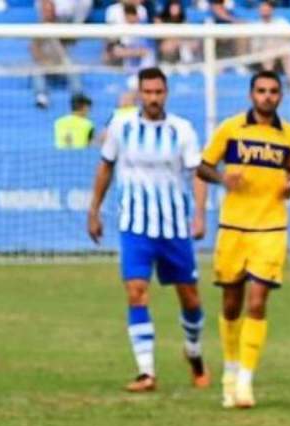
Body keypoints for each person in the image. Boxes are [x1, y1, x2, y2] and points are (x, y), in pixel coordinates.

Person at [85, 67, 208, 394]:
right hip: (135, 227)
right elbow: (105, 167)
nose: (153, 98)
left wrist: (199, 214)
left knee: (190, 297)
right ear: (140, 94)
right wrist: (94, 210)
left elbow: (197, 173)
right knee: (136, 291)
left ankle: (194, 352)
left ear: (166, 93)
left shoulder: (182, 130)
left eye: (159, 92)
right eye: (148, 92)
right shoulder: (120, 127)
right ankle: (146, 372)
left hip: (174, 228)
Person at [196, 70, 290, 411]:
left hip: (271, 229)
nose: (267, 96)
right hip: (233, 228)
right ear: (251, 94)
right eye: (261, 91)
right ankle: (229, 369)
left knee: (257, 303)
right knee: (231, 304)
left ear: (280, 96)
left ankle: (244, 381)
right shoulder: (230, 129)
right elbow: (202, 167)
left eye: (273, 91)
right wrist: (223, 178)